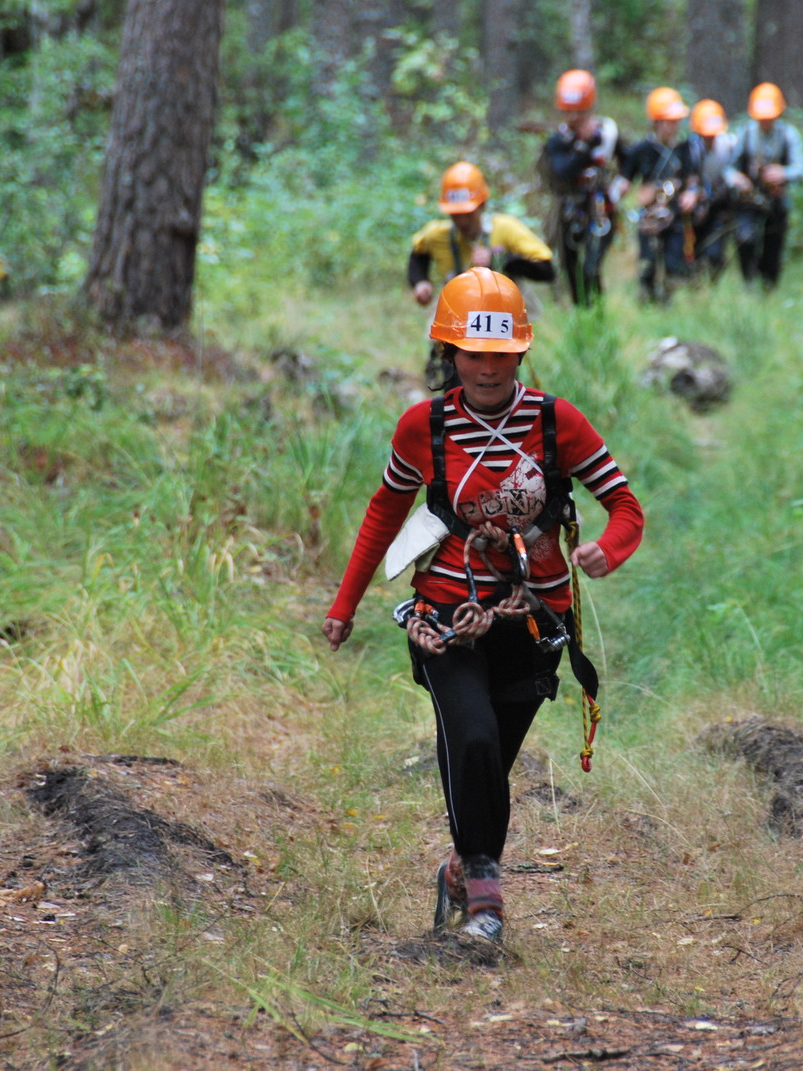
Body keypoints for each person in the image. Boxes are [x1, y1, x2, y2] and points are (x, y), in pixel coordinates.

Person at [322, 267, 644, 944]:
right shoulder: (424, 428)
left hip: (535, 620)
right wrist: (345, 604)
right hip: (446, 617)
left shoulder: (557, 423)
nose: (488, 367)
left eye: (501, 354)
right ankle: (487, 902)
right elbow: (386, 512)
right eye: (474, 353)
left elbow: (624, 506)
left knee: (487, 764)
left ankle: (458, 870)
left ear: (520, 351)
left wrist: (605, 553)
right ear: (451, 354)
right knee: (470, 737)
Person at [409, 162, 557, 390]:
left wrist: (502, 259)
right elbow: (418, 254)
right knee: (455, 379)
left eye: (468, 213)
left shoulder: (505, 229)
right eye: (456, 215)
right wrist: (420, 283)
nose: (462, 222)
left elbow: (546, 269)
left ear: (482, 205)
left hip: (500, 325)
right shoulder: (437, 235)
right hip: (456, 324)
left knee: (494, 379)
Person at [540, 70, 625, 307]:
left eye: (579, 112)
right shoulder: (559, 140)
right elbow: (562, 171)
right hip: (568, 212)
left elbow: (628, 160)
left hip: (600, 210)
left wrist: (621, 184)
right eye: (569, 112)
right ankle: (581, 314)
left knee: (591, 266)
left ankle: (596, 313)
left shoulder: (607, 134)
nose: (574, 117)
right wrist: (585, 147)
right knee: (571, 267)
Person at [731, 83, 803, 289]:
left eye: (769, 117)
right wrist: (737, 179)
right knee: (744, 238)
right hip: (749, 198)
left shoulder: (788, 135)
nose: (765, 121)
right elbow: (728, 168)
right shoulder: (745, 133)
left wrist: (783, 173)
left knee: (773, 247)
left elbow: (801, 169)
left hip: (777, 199)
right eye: (761, 117)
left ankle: (769, 288)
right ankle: (748, 283)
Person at [622, 87, 691, 304]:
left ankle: (668, 301)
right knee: (648, 263)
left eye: (676, 121)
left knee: (673, 263)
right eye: (669, 121)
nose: (674, 126)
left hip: (675, 216)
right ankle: (647, 301)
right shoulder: (641, 149)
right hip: (649, 218)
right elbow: (625, 181)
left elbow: (693, 179)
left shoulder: (685, 148)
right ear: (657, 122)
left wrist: (691, 194)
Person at [676, 99, 740, 282]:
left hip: (721, 208)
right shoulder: (688, 149)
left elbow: (738, 170)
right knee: (692, 248)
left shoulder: (730, 145)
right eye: (706, 135)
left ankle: (711, 281)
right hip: (696, 210)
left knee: (715, 251)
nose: (710, 138)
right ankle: (693, 282)